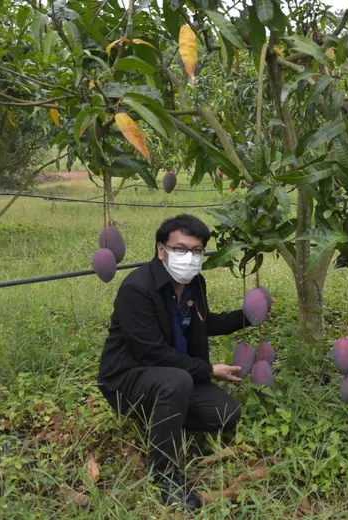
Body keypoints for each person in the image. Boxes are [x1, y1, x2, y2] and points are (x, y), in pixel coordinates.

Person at [97, 214, 253, 512]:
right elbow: (151, 353)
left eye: (196, 251)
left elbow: (203, 323)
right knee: (177, 382)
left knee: (227, 413)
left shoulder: (195, 285)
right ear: (161, 250)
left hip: (173, 377)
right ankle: (166, 476)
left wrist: (246, 316)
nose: (189, 257)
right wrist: (208, 370)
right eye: (180, 248)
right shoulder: (137, 289)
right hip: (127, 378)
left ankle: (162, 418)